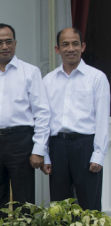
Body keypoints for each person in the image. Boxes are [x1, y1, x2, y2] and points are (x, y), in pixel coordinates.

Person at [0, 23, 50, 226]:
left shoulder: (30, 72)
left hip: (21, 139)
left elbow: (42, 112)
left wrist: (39, 149)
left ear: (15, 43)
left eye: (9, 41)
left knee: (24, 198)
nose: (5, 46)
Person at [42, 27, 110, 211]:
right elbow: (44, 120)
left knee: (90, 207)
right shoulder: (48, 81)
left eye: (75, 44)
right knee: (59, 208)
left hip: (85, 146)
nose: (70, 48)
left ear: (83, 46)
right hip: (58, 147)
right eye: (65, 44)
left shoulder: (97, 78)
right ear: (58, 49)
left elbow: (102, 119)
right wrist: (45, 154)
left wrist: (99, 154)